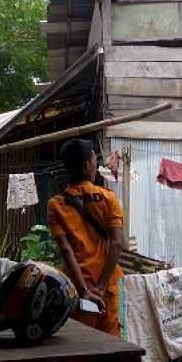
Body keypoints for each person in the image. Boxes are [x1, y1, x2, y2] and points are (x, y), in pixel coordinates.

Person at [47, 138, 124, 338]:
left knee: (78, 354)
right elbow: (116, 244)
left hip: (77, 292)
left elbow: (66, 250)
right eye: (94, 161)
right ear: (86, 165)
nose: (96, 165)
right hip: (106, 291)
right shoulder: (108, 198)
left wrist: (84, 290)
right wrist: (102, 286)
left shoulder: (56, 204)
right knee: (110, 351)